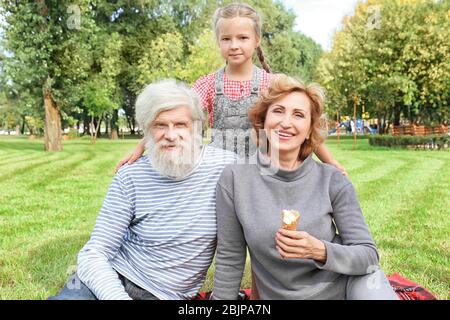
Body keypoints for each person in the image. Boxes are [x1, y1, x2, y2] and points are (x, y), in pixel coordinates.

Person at [212, 74, 398, 300]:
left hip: (345, 287)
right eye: (278, 111)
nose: (286, 122)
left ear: (310, 129)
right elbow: (230, 257)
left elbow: (368, 256)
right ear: (263, 120)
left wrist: (319, 250)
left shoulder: (333, 180)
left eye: (298, 115)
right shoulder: (234, 178)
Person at [49, 80, 237, 300]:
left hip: (162, 294)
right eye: (160, 125)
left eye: (180, 124)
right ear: (146, 130)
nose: (171, 135)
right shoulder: (130, 176)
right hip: (108, 275)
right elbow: (95, 253)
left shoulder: (226, 168)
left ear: (196, 126)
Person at [115, 2, 346, 175]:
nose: (234, 45)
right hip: (218, 171)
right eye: (226, 39)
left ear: (256, 40)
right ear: (218, 41)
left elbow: (306, 125)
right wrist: (140, 148)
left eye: (242, 38)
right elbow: (174, 116)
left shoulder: (273, 83)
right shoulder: (206, 84)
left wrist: (330, 162)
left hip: (263, 169)